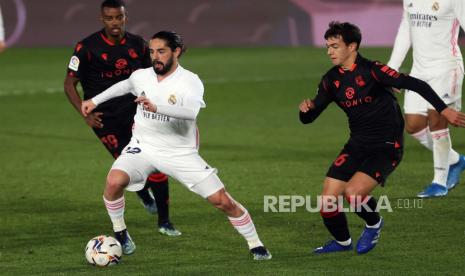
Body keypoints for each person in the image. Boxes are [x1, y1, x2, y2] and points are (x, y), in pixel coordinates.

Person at [81, 30, 272, 260]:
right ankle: (120, 233)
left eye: (161, 51)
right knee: (114, 182)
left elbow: (190, 113)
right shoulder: (142, 75)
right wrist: (94, 101)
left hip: (179, 152)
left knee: (221, 200)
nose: (155, 57)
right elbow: (125, 85)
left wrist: (156, 107)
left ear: (176, 51)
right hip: (143, 146)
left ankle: (256, 244)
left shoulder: (189, 81)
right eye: (152, 52)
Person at [299, 21, 465, 254]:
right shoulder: (331, 80)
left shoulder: (373, 70)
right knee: (327, 201)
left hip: (387, 146)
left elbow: (415, 84)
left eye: (335, 46)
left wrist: (443, 109)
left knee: (353, 195)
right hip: (357, 144)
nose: (329, 51)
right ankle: (343, 243)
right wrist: (305, 111)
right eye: (328, 46)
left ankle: (373, 224)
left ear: (352, 46)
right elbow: (310, 117)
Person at [63, 0, 180, 248]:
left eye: (119, 17)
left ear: (125, 17)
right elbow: (69, 84)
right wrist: (85, 115)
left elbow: (155, 77)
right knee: (126, 166)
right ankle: (140, 193)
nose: (115, 23)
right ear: (101, 19)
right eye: (109, 18)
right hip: (104, 120)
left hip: (137, 114)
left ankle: (165, 221)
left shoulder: (138, 44)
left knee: (157, 167)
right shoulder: (86, 48)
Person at [388, 0, 465, 198]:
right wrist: (392, 68)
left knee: (437, 120)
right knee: (413, 126)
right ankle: (455, 160)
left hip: (446, 67)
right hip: (419, 70)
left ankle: (439, 183)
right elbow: (406, 30)